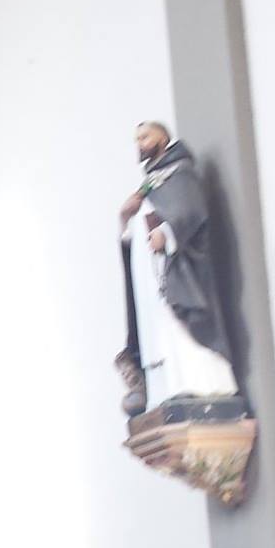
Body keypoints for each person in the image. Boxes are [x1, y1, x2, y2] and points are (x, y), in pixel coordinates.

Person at [117, 121, 239, 414]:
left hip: (178, 270)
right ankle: (167, 389)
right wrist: (125, 219)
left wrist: (167, 233)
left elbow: (191, 211)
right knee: (159, 331)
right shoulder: (151, 182)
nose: (139, 144)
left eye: (145, 137)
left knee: (182, 330)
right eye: (137, 139)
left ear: (162, 138)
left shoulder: (180, 173)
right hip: (153, 274)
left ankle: (203, 386)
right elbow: (141, 225)